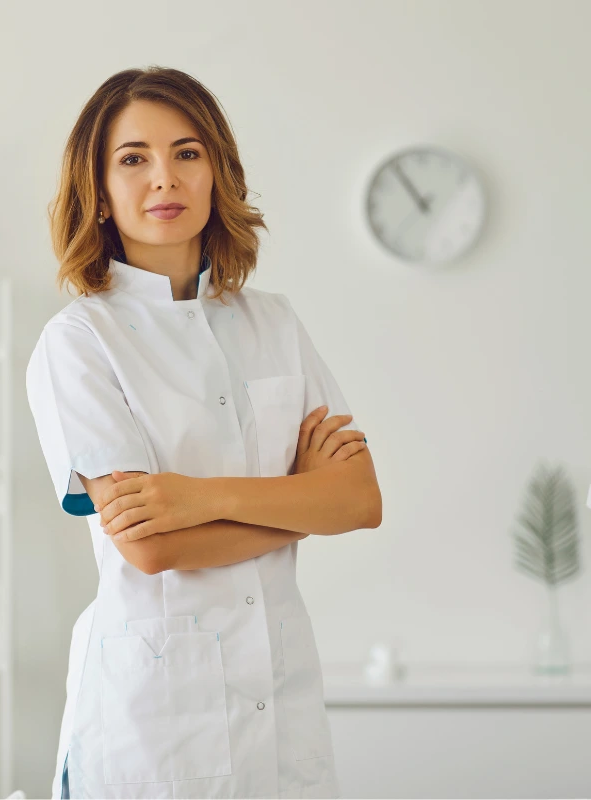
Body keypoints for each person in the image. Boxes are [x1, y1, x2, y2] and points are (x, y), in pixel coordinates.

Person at [25, 66, 382, 799]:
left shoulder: (274, 324)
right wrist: (295, 502)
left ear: (218, 171)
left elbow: (358, 501)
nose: (165, 178)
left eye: (188, 153)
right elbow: (150, 547)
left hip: (282, 711)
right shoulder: (81, 342)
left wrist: (194, 496)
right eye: (134, 159)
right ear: (97, 189)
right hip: (156, 728)